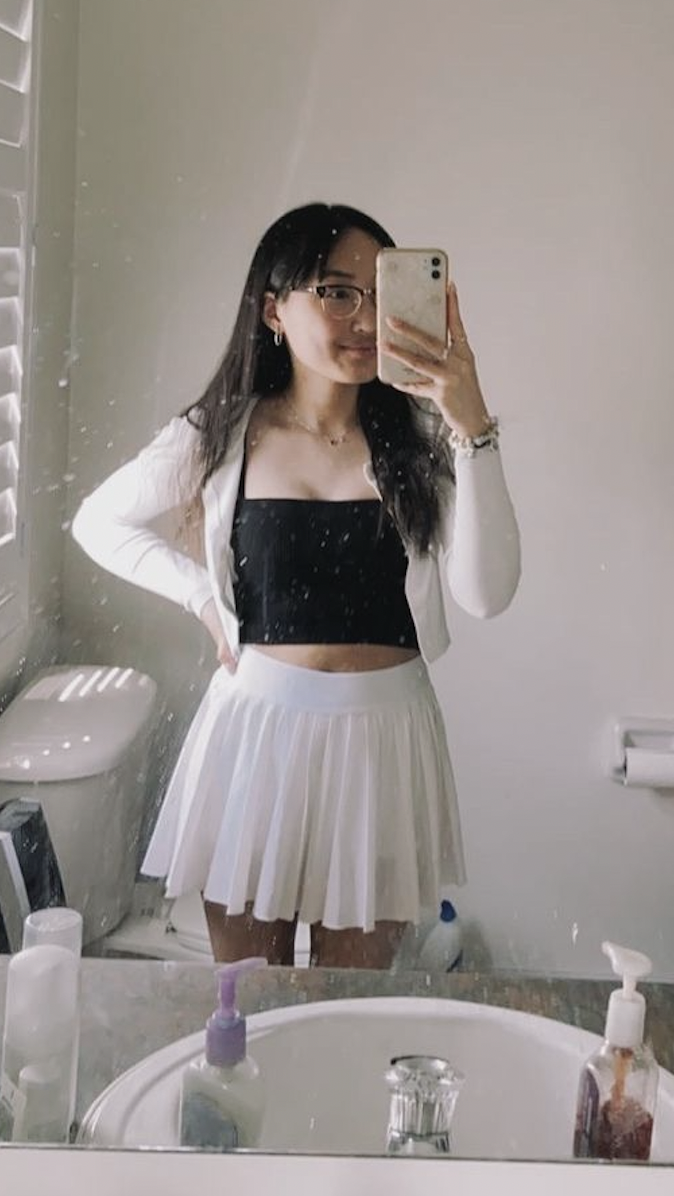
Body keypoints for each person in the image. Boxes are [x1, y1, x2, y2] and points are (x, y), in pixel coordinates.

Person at [72, 202, 520, 969]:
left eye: (379, 292)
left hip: (384, 744)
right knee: (250, 998)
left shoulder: (423, 444)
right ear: (274, 309)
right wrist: (202, 599)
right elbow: (99, 522)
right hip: (256, 739)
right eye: (337, 292)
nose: (365, 318)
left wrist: (472, 425)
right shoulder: (220, 433)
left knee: (349, 1006)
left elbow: (487, 594)